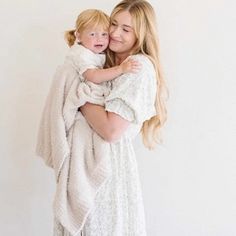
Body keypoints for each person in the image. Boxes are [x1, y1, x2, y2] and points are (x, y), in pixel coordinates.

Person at [73, 0, 167, 235]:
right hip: (85, 165)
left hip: (109, 172)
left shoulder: (138, 67)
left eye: (126, 29)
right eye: (113, 24)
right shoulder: (101, 61)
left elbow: (111, 130)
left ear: (141, 34)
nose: (114, 33)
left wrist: (80, 96)